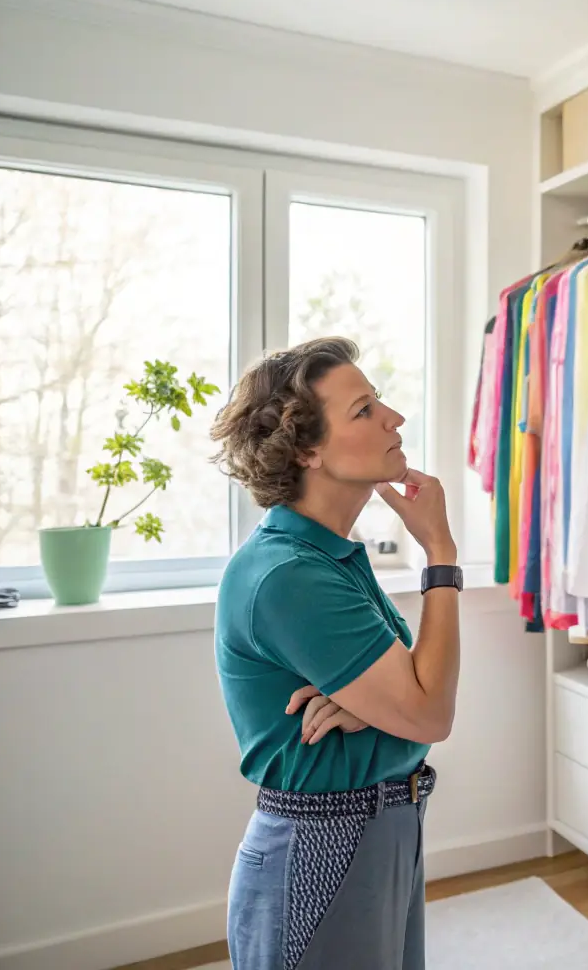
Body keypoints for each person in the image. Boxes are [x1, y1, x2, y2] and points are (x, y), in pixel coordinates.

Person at [210, 337, 463, 970]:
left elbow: (415, 689)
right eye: (364, 410)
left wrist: (370, 702)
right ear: (306, 449)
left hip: (383, 827)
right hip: (326, 844)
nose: (394, 419)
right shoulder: (290, 575)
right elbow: (430, 713)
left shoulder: (329, 555)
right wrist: (441, 553)